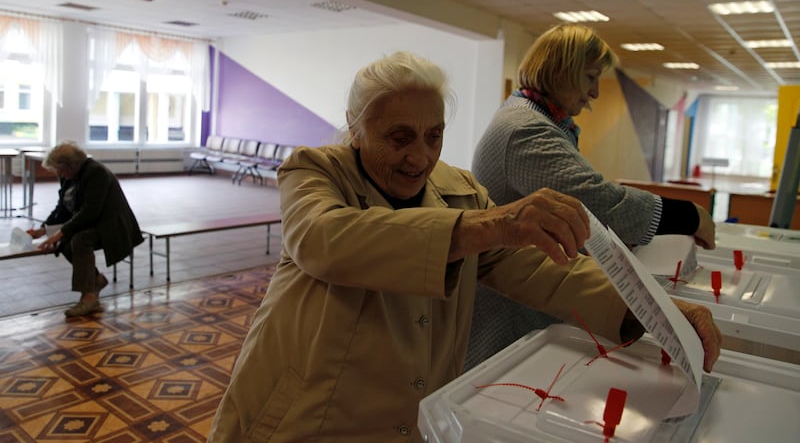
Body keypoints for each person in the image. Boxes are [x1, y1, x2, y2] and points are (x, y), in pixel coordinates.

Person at [207, 51, 721, 443]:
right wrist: (492, 224)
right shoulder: (315, 171)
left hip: (410, 420)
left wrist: (660, 313)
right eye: (400, 137)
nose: (420, 157)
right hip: (304, 418)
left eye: (434, 136)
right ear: (355, 125)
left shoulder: (460, 189)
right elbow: (327, 241)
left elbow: (546, 272)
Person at [466, 24, 718, 370]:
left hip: (531, 289)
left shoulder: (537, 118)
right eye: (589, 77)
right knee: (498, 394)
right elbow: (599, 203)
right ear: (559, 71)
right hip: (509, 303)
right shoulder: (525, 128)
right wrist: (691, 215)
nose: (595, 93)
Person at [27, 141, 144, 317]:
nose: (58, 174)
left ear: (71, 165)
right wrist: (43, 229)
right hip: (94, 221)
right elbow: (63, 207)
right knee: (65, 244)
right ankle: (95, 280)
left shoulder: (96, 173)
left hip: (112, 224)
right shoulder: (68, 175)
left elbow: (91, 211)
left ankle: (89, 298)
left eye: (60, 170)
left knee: (80, 240)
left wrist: (60, 232)